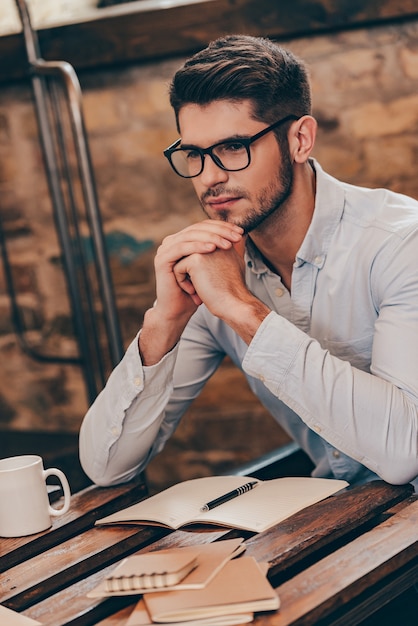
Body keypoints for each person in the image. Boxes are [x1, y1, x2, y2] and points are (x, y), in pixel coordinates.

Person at [79, 34, 418, 490]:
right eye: (194, 154)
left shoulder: (400, 243)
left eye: (234, 147)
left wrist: (243, 311)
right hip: (343, 520)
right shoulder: (211, 272)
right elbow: (106, 467)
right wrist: (164, 321)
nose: (211, 176)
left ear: (300, 139)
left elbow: (404, 453)